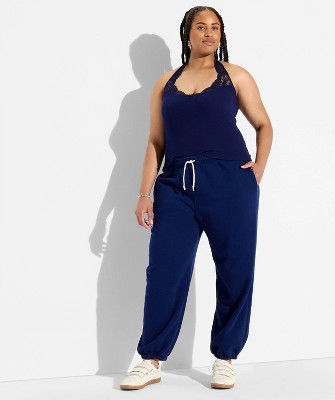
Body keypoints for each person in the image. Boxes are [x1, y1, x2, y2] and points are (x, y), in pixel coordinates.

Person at [120, 5, 273, 391]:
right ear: (187, 33)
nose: (209, 33)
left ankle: (225, 357)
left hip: (230, 183)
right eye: (201, 27)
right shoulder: (165, 83)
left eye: (215, 27)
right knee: (164, 272)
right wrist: (144, 193)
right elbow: (156, 141)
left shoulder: (235, 75)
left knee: (235, 270)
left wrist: (258, 168)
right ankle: (150, 360)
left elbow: (263, 124)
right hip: (175, 186)